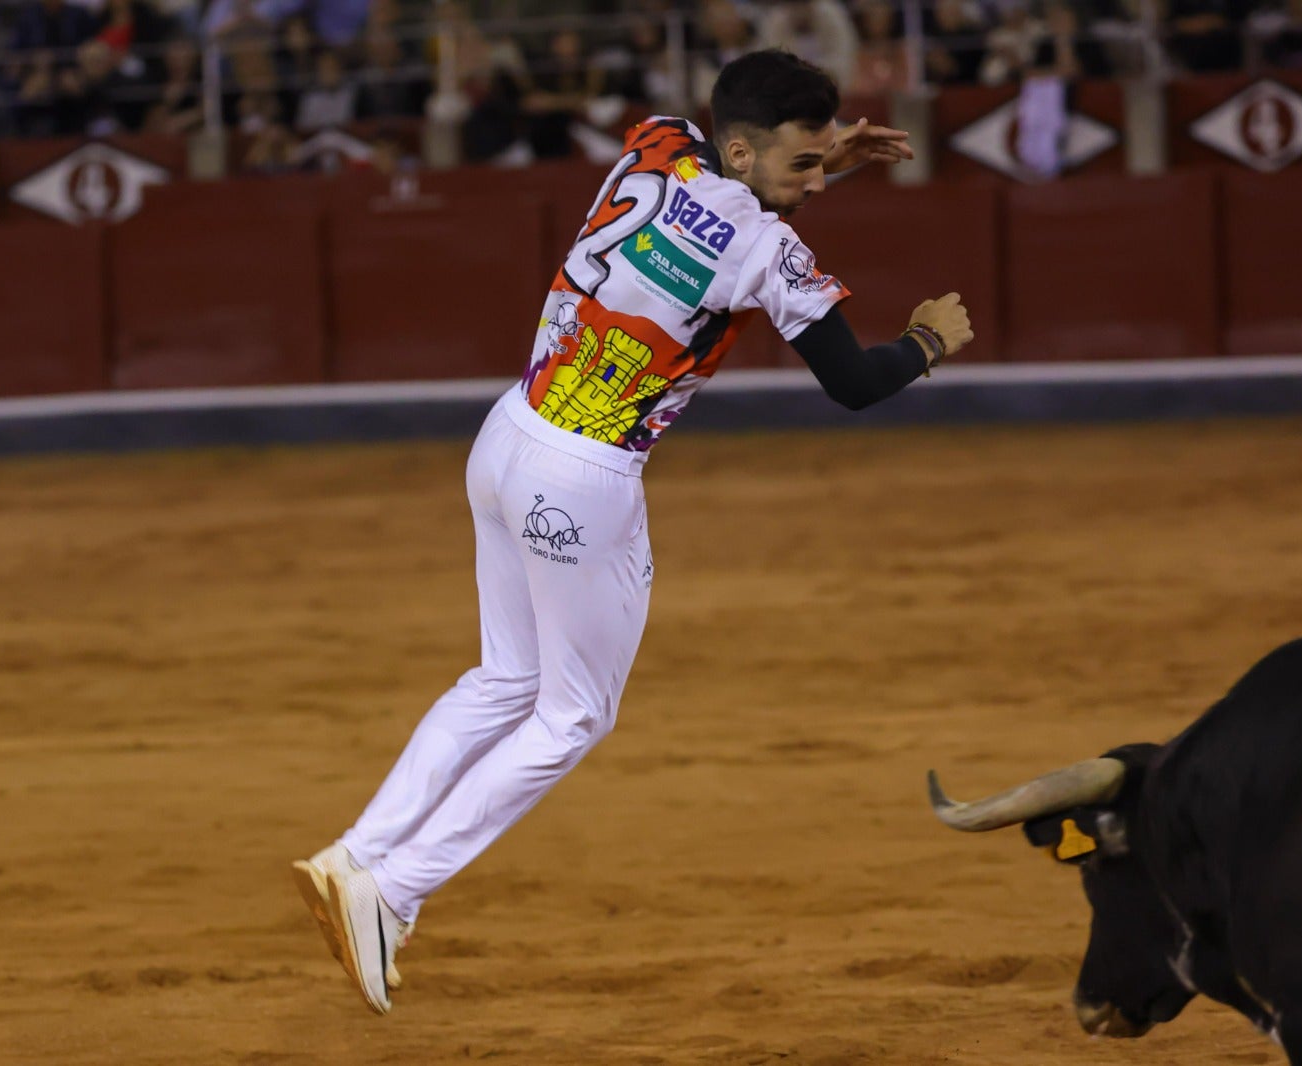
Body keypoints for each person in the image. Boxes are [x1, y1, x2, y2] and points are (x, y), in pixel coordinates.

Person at [291, 48, 974, 1016]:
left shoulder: (658, 145)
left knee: (502, 679)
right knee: (573, 714)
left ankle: (354, 854)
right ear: (741, 150)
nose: (813, 178)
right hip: (583, 476)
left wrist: (819, 166)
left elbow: (718, 191)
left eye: (821, 164)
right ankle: (391, 888)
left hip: (508, 434)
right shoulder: (765, 249)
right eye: (801, 163)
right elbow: (853, 382)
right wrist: (925, 342)